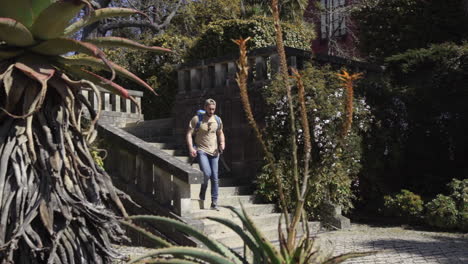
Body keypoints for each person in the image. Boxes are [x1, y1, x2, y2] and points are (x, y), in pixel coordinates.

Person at [186, 99, 225, 210]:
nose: (211, 111)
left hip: (214, 152)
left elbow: (220, 133)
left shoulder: (217, 120)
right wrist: (190, 148)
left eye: (213, 109)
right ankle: (202, 192)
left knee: (215, 177)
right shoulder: (197, 119)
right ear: (205, 107)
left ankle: (214, 202)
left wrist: (222, 143)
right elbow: (189, 134)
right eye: (209, 108)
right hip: (201, 150)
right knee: (207, 173)